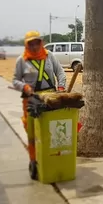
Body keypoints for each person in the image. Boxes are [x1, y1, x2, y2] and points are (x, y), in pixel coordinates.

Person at [12, 31, 66, 176]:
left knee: (53, 130)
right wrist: (25, 87)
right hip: (31, 99)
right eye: (31, 43)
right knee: (32, 131)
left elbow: (60, 72)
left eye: (37, 42)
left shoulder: (49, 56)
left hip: (51, 98)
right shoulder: (22, 60)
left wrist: (61, 87)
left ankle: (54, 157)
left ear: (41, 42)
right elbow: (15, 80)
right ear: (26, 44)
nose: (35, 46)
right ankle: (34, 160)